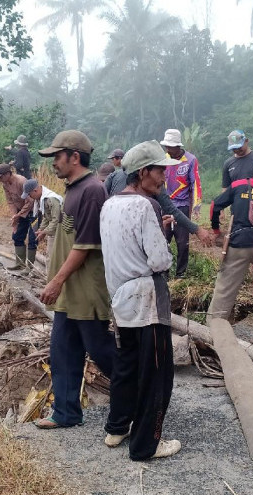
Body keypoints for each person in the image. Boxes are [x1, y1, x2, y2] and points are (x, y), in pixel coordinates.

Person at [100, 140, 181, 460]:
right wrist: (161, 237)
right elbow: (161, 261)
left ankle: (117, 427)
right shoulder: (146, 206)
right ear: (143, 172)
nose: (164, 177)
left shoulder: (110, 205)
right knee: (156, 371)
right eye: (160, 171)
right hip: (148, 298)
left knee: (126, 364)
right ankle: (147, 444)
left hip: (120, 297)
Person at [35, 130, 115, 429]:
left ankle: (136, 399)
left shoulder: (93, 190)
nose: (53, 162)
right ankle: (66, 413)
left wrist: (56, 281)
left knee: (101, 351)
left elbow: (84, 246)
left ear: (75, 157)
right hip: (69, 292)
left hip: (85, 291)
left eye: (57, 156)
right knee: (62, 352)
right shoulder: (73, 189)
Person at [206, 156, 253, 323]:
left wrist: (216, 229)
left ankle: (213, 327)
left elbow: (214, 206)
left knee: (224, 290)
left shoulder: (238, 185)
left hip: (237, 244)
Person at [160, 128, 202, 278]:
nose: (167, 149)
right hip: (164, 205)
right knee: (163, 240)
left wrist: (196, 206)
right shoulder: (162, 159)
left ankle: (180, 274)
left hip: (182, 206)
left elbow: (195, 184)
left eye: (170, 146)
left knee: (182, 242)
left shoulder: (190, 160)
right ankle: (163, 272)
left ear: (178, 146)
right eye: (166, 146)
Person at [0, 163, 37, 271]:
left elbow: (30, 201)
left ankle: (29, 268)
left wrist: (19, 214)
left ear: (8, 174)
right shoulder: (5, 184)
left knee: (32, 239)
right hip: (20, 211)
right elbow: (10, 201)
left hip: (33, 212)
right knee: (17, 236)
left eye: (1, 177)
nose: (0, 179)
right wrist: (15, 216)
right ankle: (20, 263)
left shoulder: (21, 181)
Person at [21, 178, 63, 266]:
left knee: (51, 259)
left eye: (29, 194)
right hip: (53, 230)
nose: (29, 197)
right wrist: (41, 229)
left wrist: (45, 231)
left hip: (60, 231)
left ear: (35, 191)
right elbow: (46, 217)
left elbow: (56, 220)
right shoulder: (41, 199)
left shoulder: (51, 199)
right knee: (51, 257)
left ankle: (50, 278)